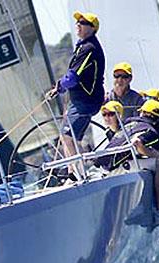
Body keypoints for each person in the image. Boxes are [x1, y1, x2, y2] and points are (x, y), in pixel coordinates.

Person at [96, 100, 159, 216]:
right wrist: (153, 154)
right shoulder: (149, 130)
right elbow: (138, 143)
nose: (107, 117)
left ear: (141, 113)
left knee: (158, 162)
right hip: (114, 168)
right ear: (157, 118)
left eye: (111, 114)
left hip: (103, 164)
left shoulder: (127, 124)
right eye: (105, 114)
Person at [47, 11, 105, 159]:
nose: (78, 24)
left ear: (93, 28)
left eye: (84, 22)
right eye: (78, 22)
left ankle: (78, 174)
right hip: (79, 101)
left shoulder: (89, 48)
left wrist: (59, 87)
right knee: (67, 137)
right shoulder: (82, 46)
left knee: (67, 137)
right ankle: (73, 174)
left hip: (86, 101)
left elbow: (73, 78)